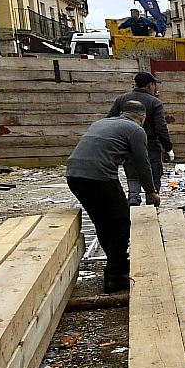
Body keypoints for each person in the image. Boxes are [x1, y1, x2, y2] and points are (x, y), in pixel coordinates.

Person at [66, 100, 160, 293]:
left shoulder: (101, 123)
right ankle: (113, 277)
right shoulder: (135, 130)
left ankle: (119, 267)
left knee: (102, 223)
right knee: (121, 225)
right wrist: (151, 191)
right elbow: (142, 164)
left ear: (122, 112)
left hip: (74, 175)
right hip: (99, 177)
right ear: (142, 118)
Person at [108, 72, 172, 205]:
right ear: (150, 85)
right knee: (153, 176)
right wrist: (168, 148)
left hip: (127, 144)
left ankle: (133, 197)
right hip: (150, 145)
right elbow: (161, 128)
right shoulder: (155, 102)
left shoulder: (121, 99)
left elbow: (111, 121)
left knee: (132, 175)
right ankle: (151, 202)